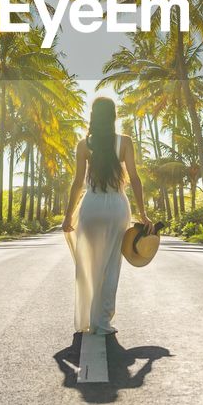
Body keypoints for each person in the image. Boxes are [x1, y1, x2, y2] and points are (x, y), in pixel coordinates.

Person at [62, 96, 152, 335]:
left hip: (91, 207)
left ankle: (87, 319)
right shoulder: (124, 142)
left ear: (93, 116)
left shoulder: (84, 144)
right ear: (113, 116)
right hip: (116, 207)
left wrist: (67, 215)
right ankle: (102, 322)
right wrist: (143, 212)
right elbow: (134, 178)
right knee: (111, 265)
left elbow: (77, 183)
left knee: (89, 264)